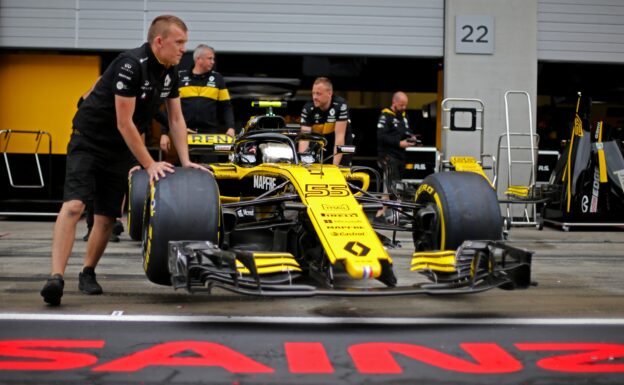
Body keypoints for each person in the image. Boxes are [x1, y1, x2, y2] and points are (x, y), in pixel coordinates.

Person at [40, 15, 208, 306]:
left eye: (185, 43)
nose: (184, 49)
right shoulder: (131, 64)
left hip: (118, 149)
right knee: (75, 205)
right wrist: (148, 163)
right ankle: (55, 277)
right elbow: (124, 122)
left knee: (107, 217)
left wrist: (185, 161)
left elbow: (176, 119)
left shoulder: (171, 71)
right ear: (159, 41)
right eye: (179, 42)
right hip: (89, 140)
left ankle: (87, 272)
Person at [159, 44, 235, 157]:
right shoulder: (179, 77)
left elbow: (226, 107)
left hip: (210, 134)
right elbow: (169, 108)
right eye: (210, 58)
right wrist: (164, 133)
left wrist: (231, 127)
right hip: (185, 132)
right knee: (185, 171)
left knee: (210, 171)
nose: (213, 62)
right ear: (198, 59)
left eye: (213, 58)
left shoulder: (218, 79)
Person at [375, 91, 418, 222]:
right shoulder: (385, 115)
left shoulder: (403, 116)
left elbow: (406, 131)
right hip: (387, 156)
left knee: (393, 186)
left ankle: (380, 214)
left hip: (401, 156)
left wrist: (412, 138)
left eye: (405, 105)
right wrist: (399, 143)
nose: (404, 108)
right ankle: (393, 214)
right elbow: (381, 137)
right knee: (394, 186)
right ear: (394, 102)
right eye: (401, 105)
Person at [299, 77, 352, 166]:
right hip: (319, 144)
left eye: (318, 94)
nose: (315, 97)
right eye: (313, 93)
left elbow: (339, 137)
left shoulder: (340, 105)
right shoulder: (308, 108)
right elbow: (304, 139)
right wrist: (302, 164)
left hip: (339, 145)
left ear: (329, 93)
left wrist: (334, 168)